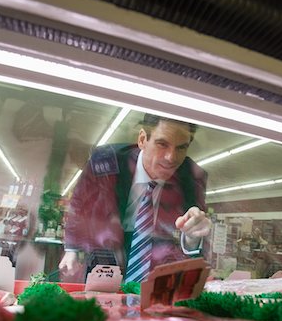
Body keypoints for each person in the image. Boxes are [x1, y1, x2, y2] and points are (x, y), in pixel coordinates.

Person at [59, 114, 211, 281]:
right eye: (162, 144)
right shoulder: (105, 161)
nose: (171, 157)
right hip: (106, 250)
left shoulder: (192, 177)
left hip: (156, 257)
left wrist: (192, 238)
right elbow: (79, 203)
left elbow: (191, 239)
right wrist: (71, 249)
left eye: (181, 148)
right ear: (142, 139)